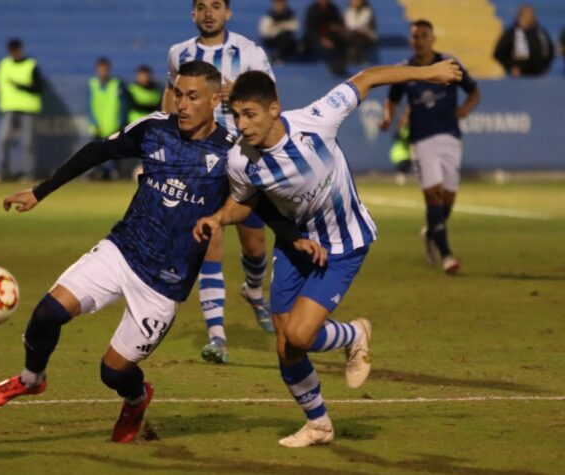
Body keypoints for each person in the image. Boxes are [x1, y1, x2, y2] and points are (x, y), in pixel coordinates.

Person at [0, 61, 322, 444]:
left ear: (215, 100)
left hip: (164, 285)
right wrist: (39, 192)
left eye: (193, 96)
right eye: (178, 94)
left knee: (113, 372)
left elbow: (263, 204)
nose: (183, 104)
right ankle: (30, 379)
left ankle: (136, 400)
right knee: (46, 314)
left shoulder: (233, 154)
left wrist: (293, 238)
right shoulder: (155, 128)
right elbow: (97, 152)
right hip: (122, 250)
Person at [194, 59, 463, 448]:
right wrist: (218, 217)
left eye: (249, 114)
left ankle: (355, 333)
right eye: (236, 116)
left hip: (343, 245)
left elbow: (367, 78)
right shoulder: (240, 159)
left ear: (274, 108)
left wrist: (429, 71)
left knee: (300, 336)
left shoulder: (316, 120)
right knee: (285, 346)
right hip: (295, 247)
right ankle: (318, 424)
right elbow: (244, 202)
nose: (242, 124)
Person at [163, 0, 277, 364]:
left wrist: (239, 94)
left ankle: (254, 290)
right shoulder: (178, 53)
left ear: (228, 12)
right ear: (192, 14)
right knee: (209, 240)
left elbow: (271, 101)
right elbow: (171, 96)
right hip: (200, 165)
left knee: (256, 248)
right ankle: (218, 337)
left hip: (245, 161)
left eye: (216, 6)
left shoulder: (250, 52)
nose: (208, 12)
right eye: (201, 6)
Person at [381, 20, 481, 274]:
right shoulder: (405, 69)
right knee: (433, 197)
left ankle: (431, 232)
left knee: (447, 201)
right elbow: (392, 99)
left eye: (423, 35)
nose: (419, 40)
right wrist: (388, 117)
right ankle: (447, 255)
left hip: (450, 137)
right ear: (410, 40)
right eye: (415, 36)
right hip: (421, 140)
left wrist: (463, 111)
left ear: (432, 38)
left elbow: (474, 92)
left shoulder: (449, 63)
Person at [0, 38, 44, 182]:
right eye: (13, 51)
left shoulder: (31, 65)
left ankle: (30, 174)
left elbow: (39, 87)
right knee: (3, 140)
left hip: (28, 109)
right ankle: (3, 173)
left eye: (17, 50)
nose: (15, 53)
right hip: (9, 109)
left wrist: (20, 86)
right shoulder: (3, 64)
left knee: (28, 143)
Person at [88, 56, 128, 180]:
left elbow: (123, 105)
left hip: (112, 124)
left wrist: (120, 122)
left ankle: (114, 172)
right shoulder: (93, 84)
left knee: (114, 152)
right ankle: (98, 172)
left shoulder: (116, 84)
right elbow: (90, 105)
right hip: (98, 125)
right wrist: (94, 121)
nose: (103, 72)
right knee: (96, 152)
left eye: (105, 69)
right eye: (100, 69)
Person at [493, 4, 554, 77]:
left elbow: (550, 50)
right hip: (519, 76)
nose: (532, 18)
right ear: (520, 16)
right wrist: (510, 67)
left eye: (533, 15)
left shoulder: (541, 33)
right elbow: (499, 53)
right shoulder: (512, 33)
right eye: (528, 15)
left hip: (539, 75)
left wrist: (546, 66)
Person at [303, 0, 347, 75]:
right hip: (315, 40)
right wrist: (321, 40)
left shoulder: (333, 9)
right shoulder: (312, 10)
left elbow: (338, 24)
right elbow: (310, 30)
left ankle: (341, 66)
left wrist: (336, 29)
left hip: (331, 39)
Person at [343, 0, 377, 65]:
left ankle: (357, 58)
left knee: (357, 37)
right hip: (352, 36)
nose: (355, 2)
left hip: (366, 36)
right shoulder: (348, 12)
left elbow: (358, 26)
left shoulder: (368, 11)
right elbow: (350, 25)